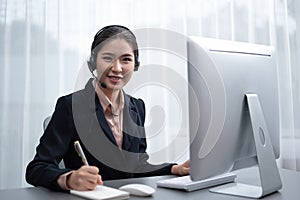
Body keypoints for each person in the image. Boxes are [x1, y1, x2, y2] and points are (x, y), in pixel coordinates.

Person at [25, 25, 190, 192]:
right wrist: (69, 179)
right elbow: (37, 168)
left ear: (135, 64)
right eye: (108, 58)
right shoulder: (70, 106)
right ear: (93, 62)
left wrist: (174, 169)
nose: (117, 68)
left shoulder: (137, 107)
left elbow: (137, 164)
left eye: (126, 59)